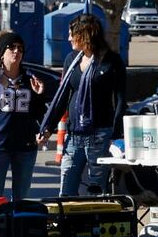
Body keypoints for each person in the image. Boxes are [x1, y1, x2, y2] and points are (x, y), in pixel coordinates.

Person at [41, 14, 127, 198]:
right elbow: (62, 96)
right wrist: (48, 127)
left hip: (100, 135)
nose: (69, 38)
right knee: (66, 189)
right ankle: (69, 226)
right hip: (73, 136)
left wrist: (116, 134)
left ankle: (94, 225)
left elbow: (120, 99)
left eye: (72, 34)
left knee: (96, 190)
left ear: (85, 35)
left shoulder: (112, 61)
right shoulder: (71, 59)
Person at [0, 30, 42, 202]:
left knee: (21, 199)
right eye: (12, 48)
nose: (16, 52)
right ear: (2, 54)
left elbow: (38, 114)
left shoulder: (30, 79)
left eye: (20, 49)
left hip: (25, 147)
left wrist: (38, 95)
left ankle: (19, 229)